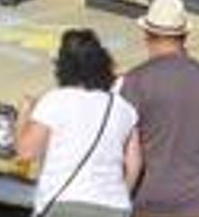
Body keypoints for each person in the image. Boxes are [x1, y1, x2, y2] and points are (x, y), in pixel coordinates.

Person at [119, 0, 199, 217]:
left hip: (150, 200)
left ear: (148, 35)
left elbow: (126, 147)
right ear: (185, 36)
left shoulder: (135, 82)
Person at [17, 30, 141, 217]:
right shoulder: (122, 108)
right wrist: (120, 196)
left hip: (65, 205)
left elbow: (26, 152)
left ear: (63, 66)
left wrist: (24, 114)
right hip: (114, 207)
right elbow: (134, 163)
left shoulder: (55, 101)